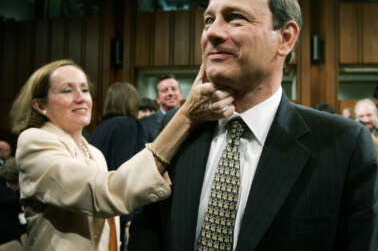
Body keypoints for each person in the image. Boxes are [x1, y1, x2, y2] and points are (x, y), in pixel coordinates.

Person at [130, 0, 378, 251]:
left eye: (235, 18)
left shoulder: (342, 144)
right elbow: (146, 237)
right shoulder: (178, 128)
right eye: (208, 20)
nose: (212, 33)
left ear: (286, 37)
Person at [9, 59, 234, 251]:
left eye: (85, 89)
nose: (81, 98)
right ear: (40, 106)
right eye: (67, 90)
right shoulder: (33, 140)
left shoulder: (94, 153)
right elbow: (105, 193)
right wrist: (186, 116)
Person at [89, 81, 145, 250]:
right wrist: (129, 217)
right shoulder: (128, 125)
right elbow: (125, 170)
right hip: (119, 207)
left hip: (100, 204)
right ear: (131, 101)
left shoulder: (100, 128)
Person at [140, 74, 183, 142]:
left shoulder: (193, 121)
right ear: (158, 99)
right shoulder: (145, 124)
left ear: (181, 95)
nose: (170, 93)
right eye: (165, 90)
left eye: (174, 89)